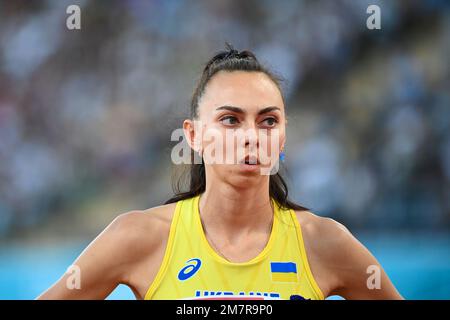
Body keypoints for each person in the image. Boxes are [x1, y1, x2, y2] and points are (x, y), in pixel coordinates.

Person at [37, 44, 403, 300]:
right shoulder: (139, 237)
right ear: (193, 135)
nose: (251, 137)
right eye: (230, 119)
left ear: (283, 135)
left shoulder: (323, 243)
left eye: (268, 121)